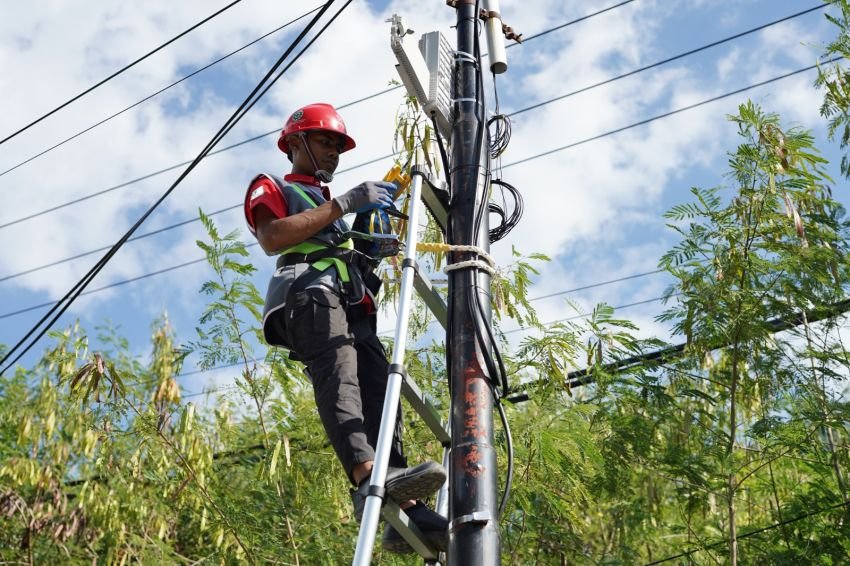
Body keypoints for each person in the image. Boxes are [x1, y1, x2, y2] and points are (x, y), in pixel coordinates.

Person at [243, 103, 448, 553]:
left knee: (380, 388)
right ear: (295, 143)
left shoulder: (327, 206)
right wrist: (346, 203)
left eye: (338, 145)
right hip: (308, 293)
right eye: (324, 142)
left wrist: (371, 239)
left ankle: (403, 497)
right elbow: (273, 237)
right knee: (340, 374)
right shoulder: (274, 185)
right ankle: (363, 473)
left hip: (349, 298)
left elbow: (351, 244)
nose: (334, 152)